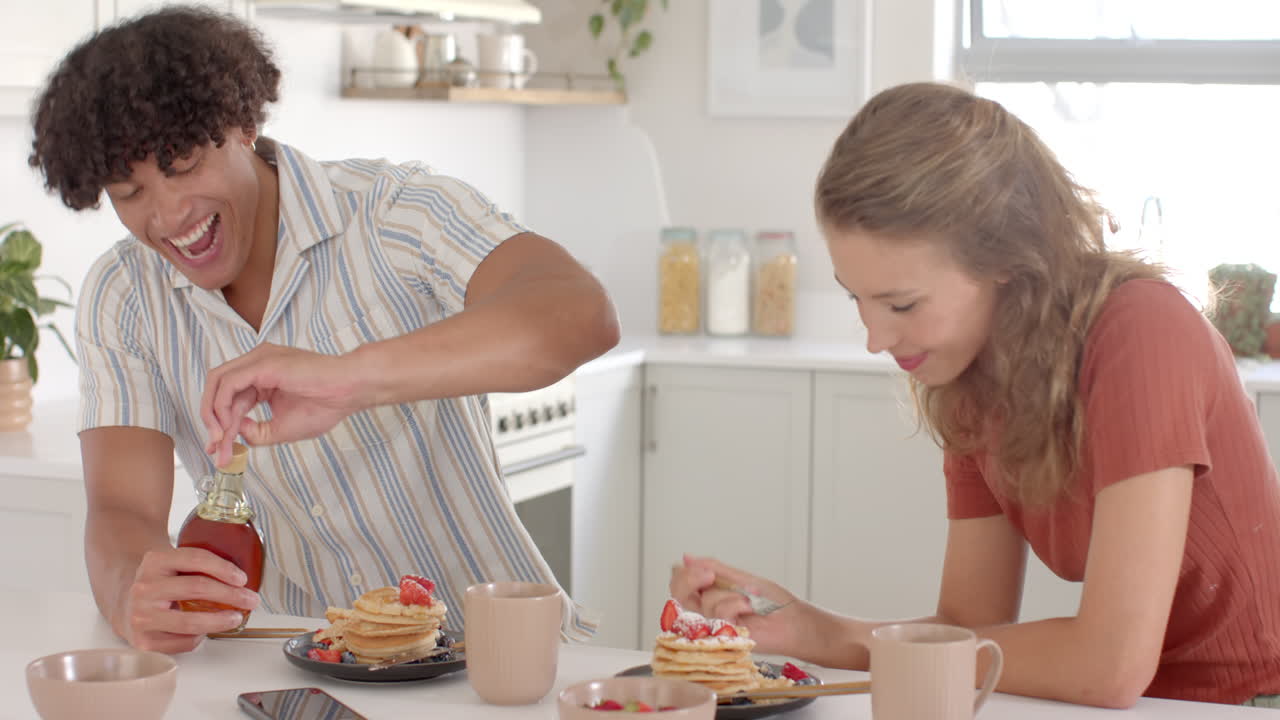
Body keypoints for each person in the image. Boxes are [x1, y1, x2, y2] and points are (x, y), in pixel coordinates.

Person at [28, 6, 619, 654]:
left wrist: (349, 379)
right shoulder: (125, 296)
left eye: (183, 163)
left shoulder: (393, 213)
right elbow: (122, 511)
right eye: (129, 192)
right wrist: (128, 593)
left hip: (497, 664)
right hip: (309, 670)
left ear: (244, 125)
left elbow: (580, 314)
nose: (168, 216)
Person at [670, 82, 1280, 708]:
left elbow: (1108, 664)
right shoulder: (974, 374)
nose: (876, 338)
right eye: (857, 298)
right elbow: (968, 634)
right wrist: (807, 627)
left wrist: (847, 640)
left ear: (1006, 260)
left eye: (902, 303)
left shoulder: (1143, 333)